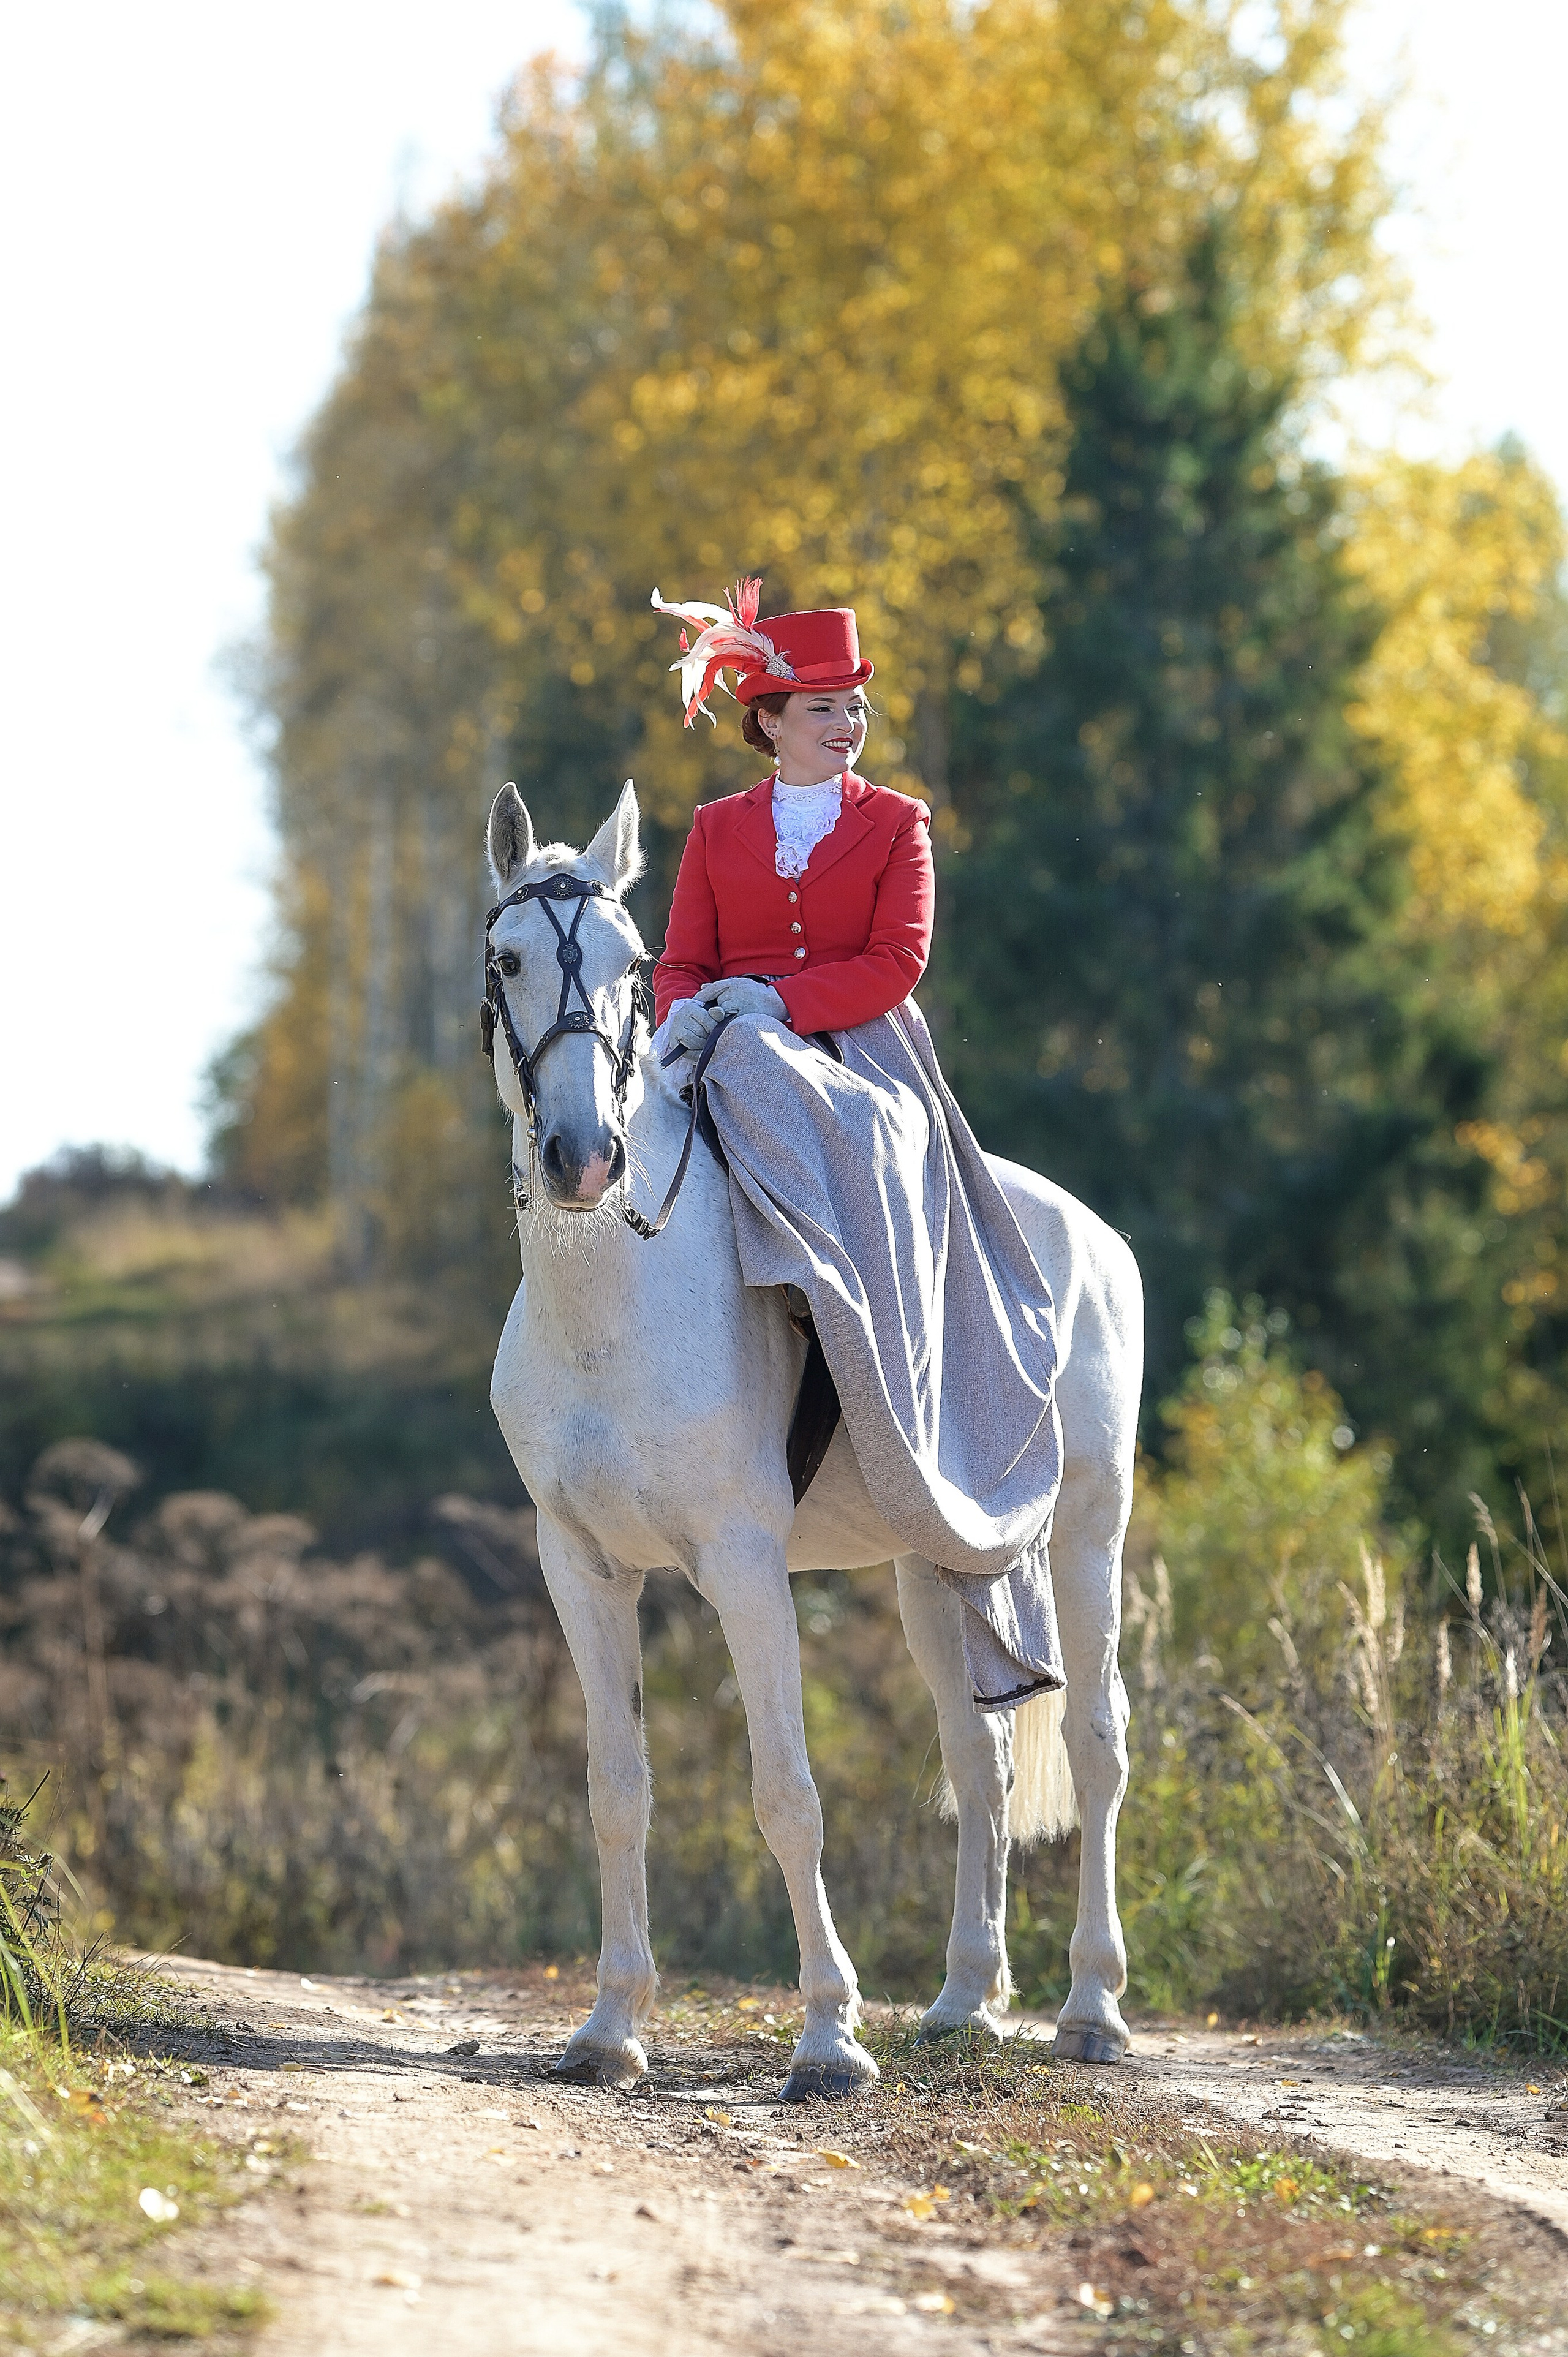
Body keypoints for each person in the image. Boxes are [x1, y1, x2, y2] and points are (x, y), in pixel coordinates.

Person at [648, 580, 933, 1056]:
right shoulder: (713, 826)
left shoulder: (899, 821)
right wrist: (681, 1011)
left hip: (859, 1037)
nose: (847, 725)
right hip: (728, 1036)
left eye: (855, 707)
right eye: (823, 708)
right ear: (770, 722)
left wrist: (778, 1000)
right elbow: (683, 967)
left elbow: (897, 960)